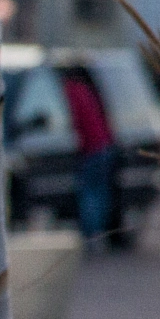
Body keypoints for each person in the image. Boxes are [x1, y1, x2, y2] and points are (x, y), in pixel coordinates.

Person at [61, 68, 117, 247]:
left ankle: (91, 236)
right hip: (104, 144)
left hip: (92, 148)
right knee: (100, 192)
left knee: (90, 193)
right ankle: (99, 234)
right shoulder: (85, 89)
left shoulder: (71, 91)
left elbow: (73, 121)